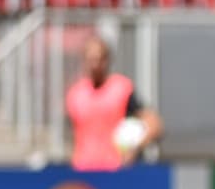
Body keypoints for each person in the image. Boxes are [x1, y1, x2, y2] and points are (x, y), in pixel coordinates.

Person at [65, 36, 163, 171]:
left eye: (99, 59)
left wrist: (135, 147)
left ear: (107, 60)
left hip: (115, 169)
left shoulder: (122, 89)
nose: (95, 65)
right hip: (84, 170)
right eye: (90, 59)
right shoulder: (75, 94)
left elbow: (154, 124)